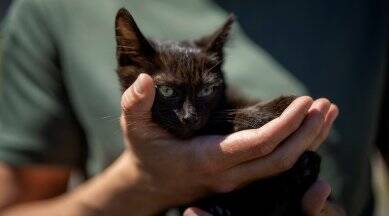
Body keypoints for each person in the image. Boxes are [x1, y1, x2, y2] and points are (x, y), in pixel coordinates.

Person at [0, 0, 344, 215]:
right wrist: (145, 181)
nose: (189, 115)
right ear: (129, 62)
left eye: (206, 92)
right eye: (167, 93)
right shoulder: (50, 10)